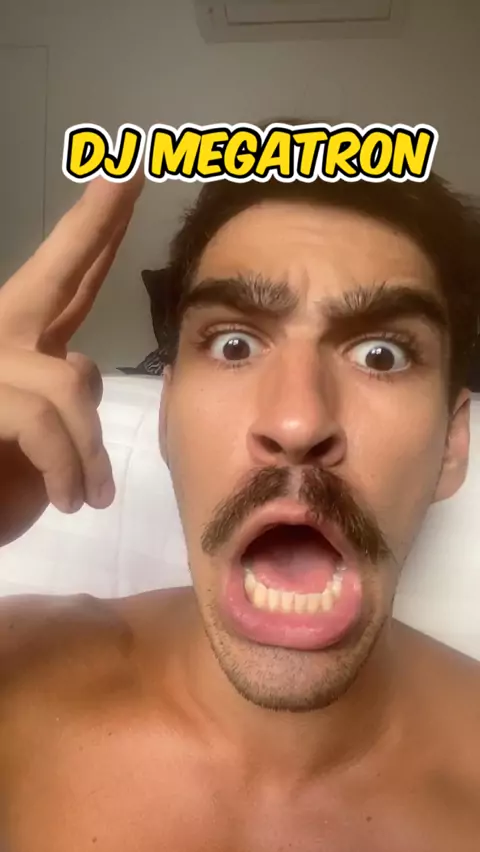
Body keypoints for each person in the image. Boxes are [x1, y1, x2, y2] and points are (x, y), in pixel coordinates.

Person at [0, 166, 480, 852]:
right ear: (166, 413)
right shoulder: (14, 673)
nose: (297, 421)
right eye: (235, 344)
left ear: (454, 443)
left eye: (381, 355)